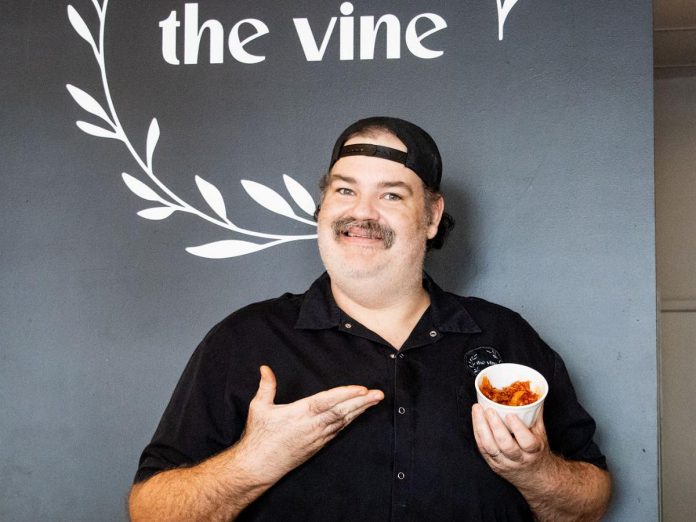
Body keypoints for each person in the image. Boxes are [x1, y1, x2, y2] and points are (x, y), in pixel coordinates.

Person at [129, 117, 611, 521]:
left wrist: (535, 471)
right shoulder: (243, 340)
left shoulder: (505, 338)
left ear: (432, 215)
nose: (361, 212)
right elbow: (149, 510)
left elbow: (591, 500)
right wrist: (253, 463)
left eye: (392, 196)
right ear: (322, 208)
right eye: (344, 190)